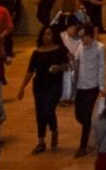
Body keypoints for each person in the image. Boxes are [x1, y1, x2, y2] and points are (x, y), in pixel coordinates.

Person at [18, 24, 71, 154]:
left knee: (48, 109)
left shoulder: (60, 50)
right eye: (44, 34)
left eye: (49, 34)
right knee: (40, 113)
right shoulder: (37, 52)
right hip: (39, 85)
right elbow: (30, 71)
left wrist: (57, 68)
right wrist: (22, 87)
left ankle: (54, 130)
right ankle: (41, 141)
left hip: (54, 84)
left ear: (54, 36)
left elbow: (68, 66)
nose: (46, 37)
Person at [66, 21, 106, 158]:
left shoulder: (100, 48)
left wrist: (102, 87)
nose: (82, 39)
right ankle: (93, 129)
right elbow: (76, 65)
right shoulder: (79, 47)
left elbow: (102, 67)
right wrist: (71, 61)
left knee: (86, 114)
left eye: (84, 36)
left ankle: (83, 146)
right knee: (79, 114)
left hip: (92, 86)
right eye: (80, 37)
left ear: (90, 36)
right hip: (80, 86)